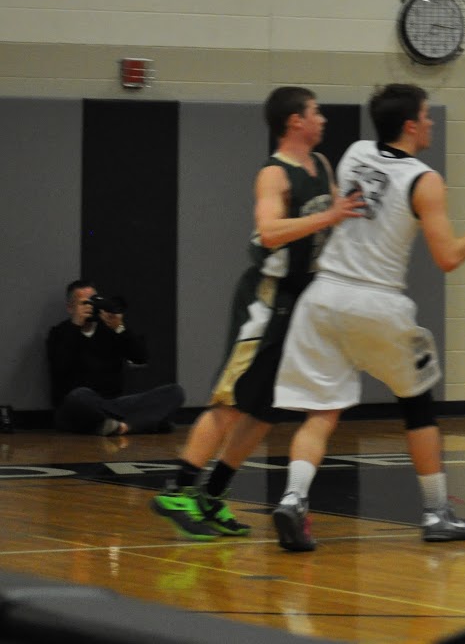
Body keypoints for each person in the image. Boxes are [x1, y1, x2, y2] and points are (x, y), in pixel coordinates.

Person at [270, 83, 465, 551]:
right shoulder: (425, 179)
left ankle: (294, 499)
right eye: (426, 115)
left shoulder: (355, 152)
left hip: (324, 296)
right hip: (375, 301)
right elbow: (448, 258)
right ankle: (437, 513)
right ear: (410, 125)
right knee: (417, 406)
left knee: (321, 414)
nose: (432, 122)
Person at [148, 86, 364, 540]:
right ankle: (180, 490)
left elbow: (335, 221)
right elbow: (269, 232)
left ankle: (213, 494)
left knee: (265, 410)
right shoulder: (273, 175)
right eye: (315, 112)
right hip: (266, 298)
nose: (322, 119)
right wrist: (331, 217)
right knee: (230, 400)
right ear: (294, 122)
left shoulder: (320, 165)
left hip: (302, 301)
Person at [47, 280, 184, 436]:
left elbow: (140, 358)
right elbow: (60, 366)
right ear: (70, 308)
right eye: (84, 303)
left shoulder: (110, 330)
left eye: (95, 301)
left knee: (175, 392)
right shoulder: (59, 333)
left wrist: (119, 328)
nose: (91, 307)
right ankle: (143, 423)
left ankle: (120, 427)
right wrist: (76, 326)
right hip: (77, 406)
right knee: (79, 396)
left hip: (114, 402)